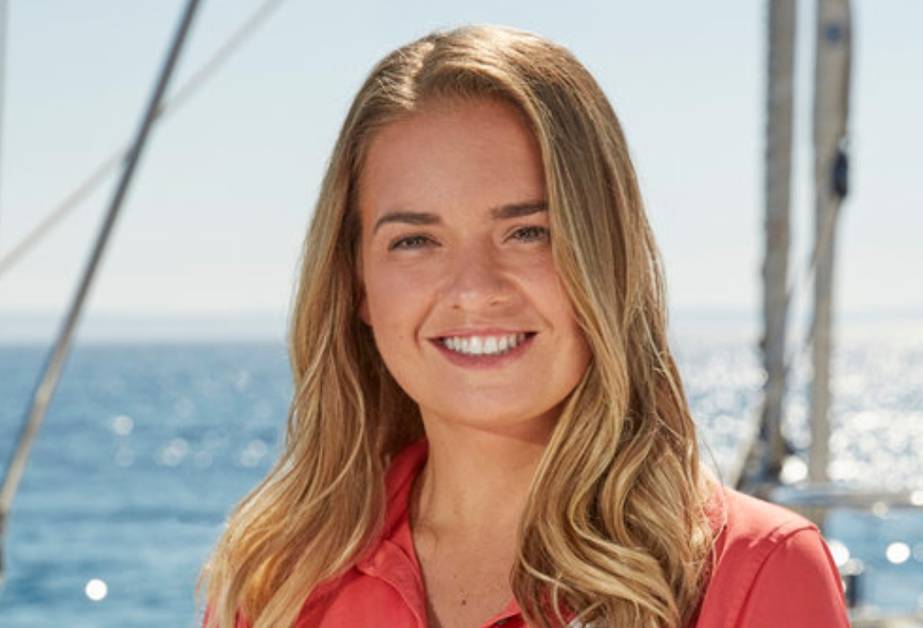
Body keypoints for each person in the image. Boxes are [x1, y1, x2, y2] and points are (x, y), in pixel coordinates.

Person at [199, 24, 849, 628]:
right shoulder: (278, 580)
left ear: (606, 258)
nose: (475, 288)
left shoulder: (756, 571)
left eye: (528, 232)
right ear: (356, 282)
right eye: (415, 241)